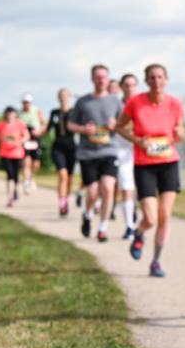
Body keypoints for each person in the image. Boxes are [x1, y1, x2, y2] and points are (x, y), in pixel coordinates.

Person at [116, 64, 185, 278]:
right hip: (144, 164)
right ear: (146, 81)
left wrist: (180, 132)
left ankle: (155, 261)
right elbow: (119, 127)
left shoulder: (175, 103)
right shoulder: (135, 103)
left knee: (165, 216)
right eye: (152, 78)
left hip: (168, 163)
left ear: (166, 80)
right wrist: (137, 140)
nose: (156, 81)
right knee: (151, 218)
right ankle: (139, 232)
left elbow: (180, 130)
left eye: (160, 77)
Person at [68, 64, 123, 242]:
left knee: (107, 187)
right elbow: (70, 125)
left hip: (109, 150)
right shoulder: (83, 102)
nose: (101, 80)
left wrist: (116, 125)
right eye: (97, 77)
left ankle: (103, 228)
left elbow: (126, 124)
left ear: (108, 79)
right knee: (92, 193)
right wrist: (84, 129)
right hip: (88, 153)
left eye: (104, 77)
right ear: (92, 79)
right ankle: (88, 214)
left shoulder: (116, 101)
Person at [114, 74, 139, 238]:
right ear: (121, 87)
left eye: (132, 85)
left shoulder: (142, 103)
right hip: (122, 152)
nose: (129, 88)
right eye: (126, 85)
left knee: (139, 188)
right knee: (126, 187)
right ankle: (130, 226)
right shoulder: (115, 104)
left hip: (141, 150)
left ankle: (133, 210)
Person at [47, 88, 78, 217]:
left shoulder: (74, 112)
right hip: (58, 147)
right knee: (62, 175)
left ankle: (66, 200)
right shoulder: (54, 112)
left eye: (65, 95)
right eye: (61, 95)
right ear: (58, 98)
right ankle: (62, 203)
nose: (63, 98)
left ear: (69, 97)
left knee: (69, 178)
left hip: (71, 147)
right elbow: (48, 128)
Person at [0, 106, 30, 207]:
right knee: (10, 175)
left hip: (17, 153)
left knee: (16, 176)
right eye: (8, 114)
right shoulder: (0, 125)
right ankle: (10, 198)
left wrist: (20, 142)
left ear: (15, 115)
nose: (10, 116)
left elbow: (26, 135)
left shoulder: (20, 124)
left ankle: (14, 190)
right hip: (5, 154)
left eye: (12, 114)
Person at [18, 94, 46, 193]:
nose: (26, 104)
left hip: (35, 137)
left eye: (28, 102)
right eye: (25, 102)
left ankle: (31, 177)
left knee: (36, 163)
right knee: (26, 162)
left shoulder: (36, 110)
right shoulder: (19, 113)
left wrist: (39, 131)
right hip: (25, 138)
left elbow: (44, 124)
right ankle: (26, 183)